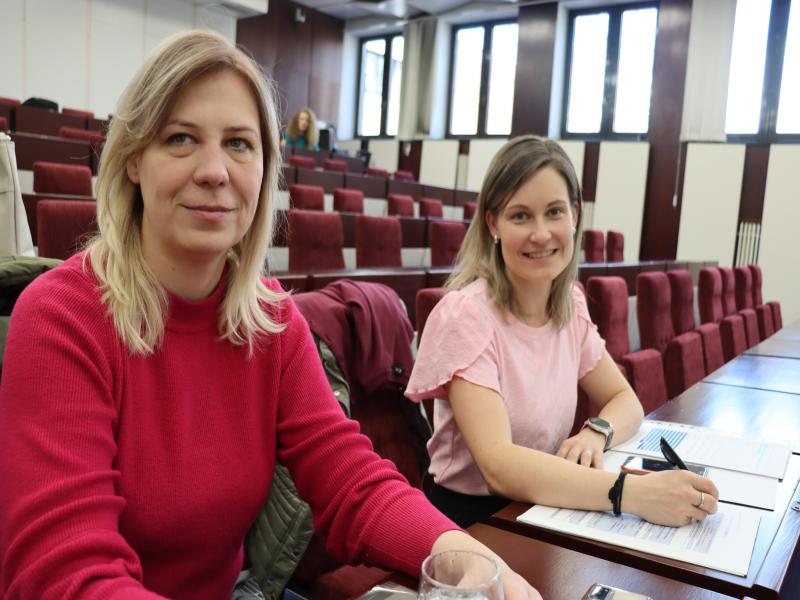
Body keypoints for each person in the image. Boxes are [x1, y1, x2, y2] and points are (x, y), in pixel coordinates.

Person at [0, 31, 539, 600]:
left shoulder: (270, 320)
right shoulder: (62, 318)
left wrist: (463, 555)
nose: (215, 170)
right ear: (134, 159)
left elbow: (350, 479)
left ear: (264, 169)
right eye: (181, 138)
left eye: (238, 143)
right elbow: (66, 575)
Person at [406, 135, 720, 529]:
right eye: (520, 216)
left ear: (574, 215)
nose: (541, 234)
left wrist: (597, 432)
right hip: (472, 521)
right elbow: (498, 465)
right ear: (493, 224)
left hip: (546, 502)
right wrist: (633, 494)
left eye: (554, 212)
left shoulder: (569, 304)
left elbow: (625, 399)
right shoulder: (465, 316)